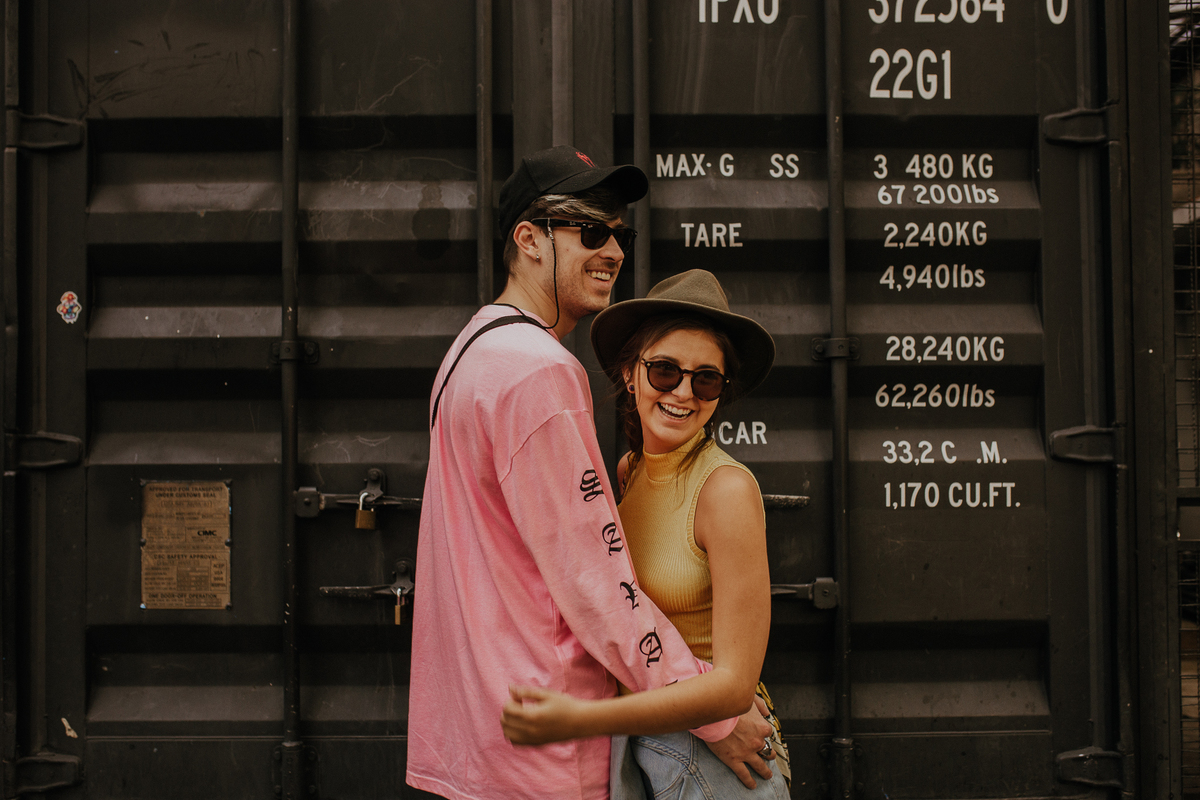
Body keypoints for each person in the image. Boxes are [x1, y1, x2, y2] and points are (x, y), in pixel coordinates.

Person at [406, 148, 776, 800]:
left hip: (480, 735)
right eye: (591, 231)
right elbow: (595, 582)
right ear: (528, 240)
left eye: (621, 234)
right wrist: (718, 715)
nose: (613, 251)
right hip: (545, 740)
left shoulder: (467, 357)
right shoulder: (540, 372)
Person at [499, 269, 790, 799]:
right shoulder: (627, 473)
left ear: (721, 393)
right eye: (664, 371)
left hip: (723, 769)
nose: (683, 392)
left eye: (706, 379)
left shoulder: (724, 491)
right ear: (630, 375)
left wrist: (581, 720)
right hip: (648, 754)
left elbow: (732, 689)